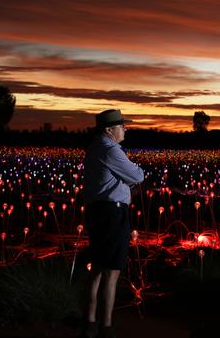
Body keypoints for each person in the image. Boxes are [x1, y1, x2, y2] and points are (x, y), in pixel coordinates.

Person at [81, 109, 144, 338]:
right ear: (109, 130)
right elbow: (137, 176)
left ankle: (89, 323)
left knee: (97, 269)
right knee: (112, 272)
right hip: (111, 214)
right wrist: (131, 180)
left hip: (98, 212)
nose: (125, 129)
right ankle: (105, 328)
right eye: (121, 125)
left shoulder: (94, 147)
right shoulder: (110, 149)